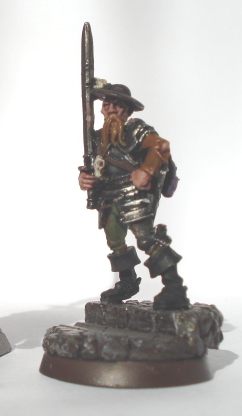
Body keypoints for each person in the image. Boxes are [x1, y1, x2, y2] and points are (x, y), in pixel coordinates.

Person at [78, 83, 189, 310]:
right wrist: (84, 178)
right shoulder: (97, 139)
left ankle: (174, 286)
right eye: (107, 105)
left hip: (134, 193)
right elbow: (94, 167)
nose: (111, 110)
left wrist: (146, 170)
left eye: (117, 105)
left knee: (146, 238)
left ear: (127, 110)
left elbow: (161, 146)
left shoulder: (137, 130)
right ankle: (127, 282)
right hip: (108, 195)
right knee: (115, 241)